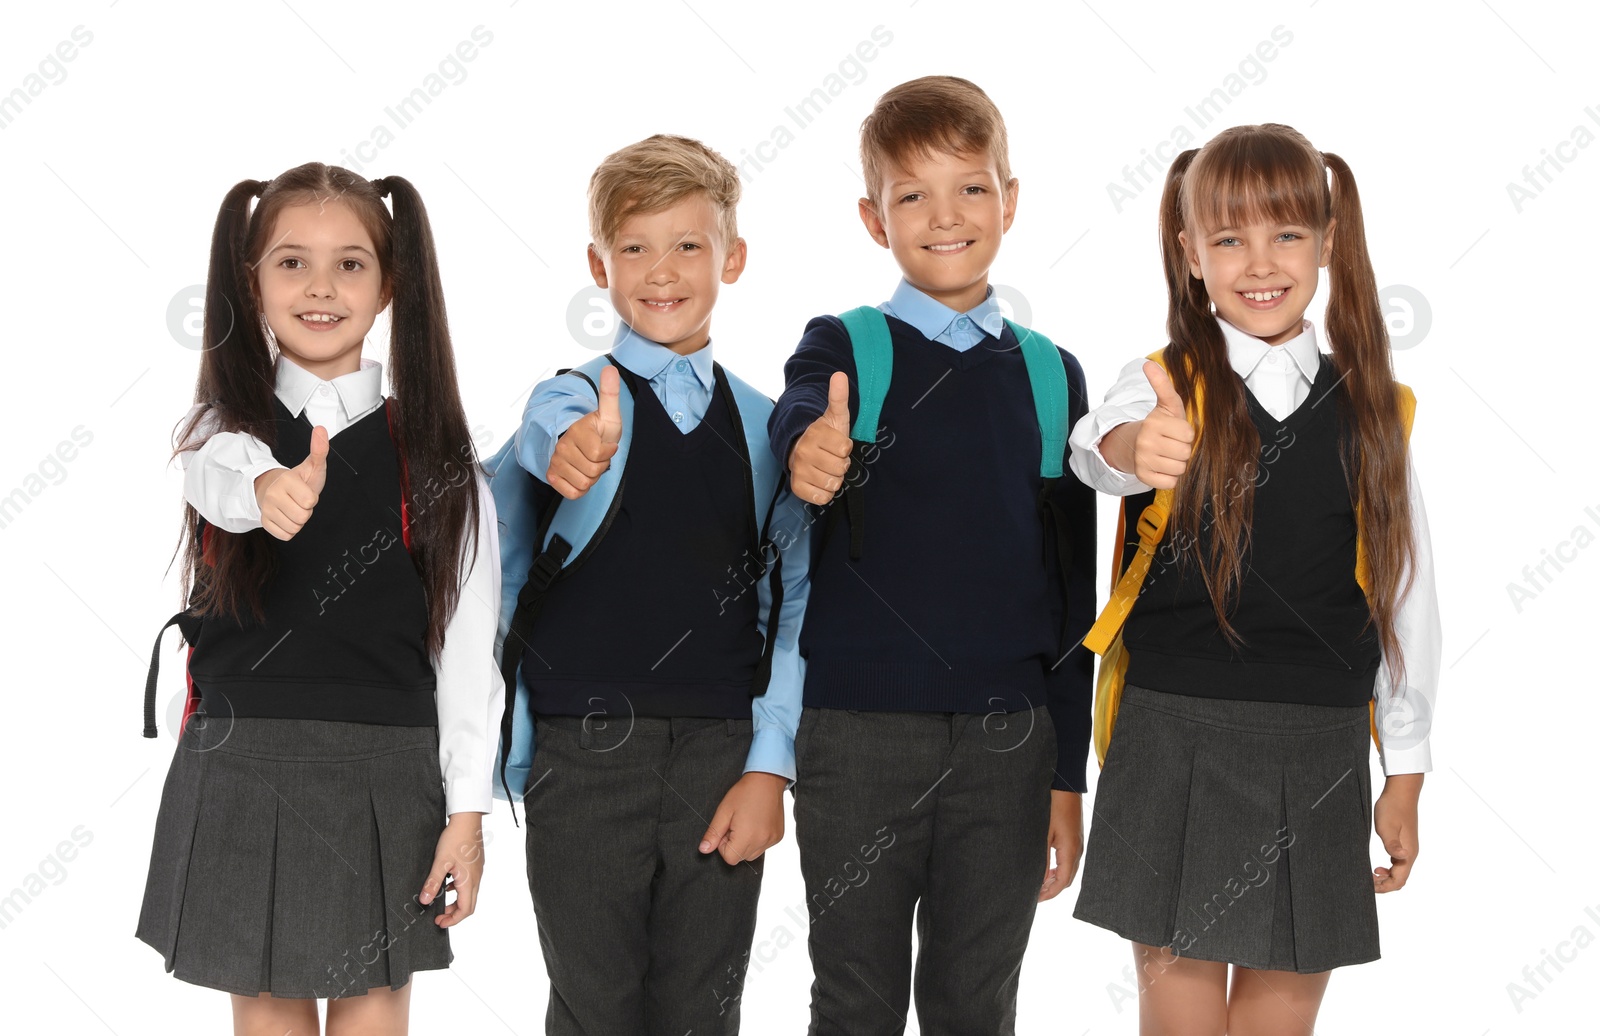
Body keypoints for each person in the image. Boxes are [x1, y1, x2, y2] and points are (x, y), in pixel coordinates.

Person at [1067, 123, 1441, 1035]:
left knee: (1278, 1024)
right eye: (1228, 238)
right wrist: (1134, 446)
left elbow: (1407, 598)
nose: (1259, 262)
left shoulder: (1373, 408)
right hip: (1171, 728)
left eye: (1286, 234)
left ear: (1327, 243)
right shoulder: (1161, 383)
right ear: (1191, 254)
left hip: (1317, 742)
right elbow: (1096, 451)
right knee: (1180, 1023)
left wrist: (1407, 769)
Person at [137, 162, 501, 1035]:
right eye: (291, 263)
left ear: (389, 288)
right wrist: (268, 490)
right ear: (249, 281)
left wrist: (467, 813)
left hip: (389, 769)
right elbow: (222, 479)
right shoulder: (220, 435)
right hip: (247, 758)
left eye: (351, 264)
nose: (321, 288)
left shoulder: (445, 462)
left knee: (376, 1017)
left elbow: (467, 650)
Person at [767, 76, 1096, 1035]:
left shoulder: (1048, 372)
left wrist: (1065, 774)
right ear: (874, 220)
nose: (944, 216)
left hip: (1010, 742)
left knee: (977, 1000)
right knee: (855, 998)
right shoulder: (848, 346)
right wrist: (805, 446)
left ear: (1010, 199)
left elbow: (1072, 586)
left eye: (970, 189)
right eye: (913, 195)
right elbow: (799, 407)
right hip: (857, 737)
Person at [499, 134, 809, 1035]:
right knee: (593, 1005)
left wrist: (768, 764)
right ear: (599, 265)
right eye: (633, 247)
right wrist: (570, 450)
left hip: (721, 753)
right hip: (581, 748)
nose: (660, 271)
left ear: (733, 258)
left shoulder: (765, 426)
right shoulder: (570, 399)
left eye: (687, 245)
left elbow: (796, 604)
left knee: (701, 1007)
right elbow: (545, 438)